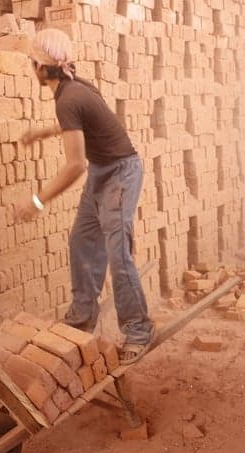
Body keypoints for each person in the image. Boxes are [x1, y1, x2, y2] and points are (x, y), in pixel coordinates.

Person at [16, 28, 154, 365]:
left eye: (31, 62)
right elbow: (77, 125)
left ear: (40, 68)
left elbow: (75, 166)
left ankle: (138, 329)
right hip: (103, 171)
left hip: (120, 172)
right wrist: (42, 132)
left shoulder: (69, 97)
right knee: (81, 239)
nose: (30, 67)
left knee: (117, 253)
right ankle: (81, 319)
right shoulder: (71, 89)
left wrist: (37, 201)